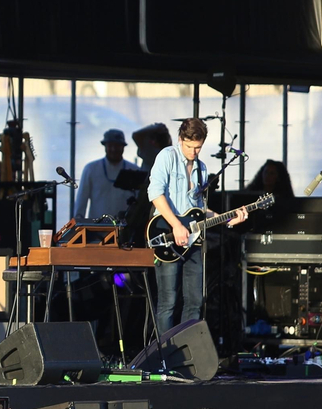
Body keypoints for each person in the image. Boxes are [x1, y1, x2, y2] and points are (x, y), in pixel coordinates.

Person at [146, 117, 245, 335]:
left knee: (195, 301)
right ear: (180, 139)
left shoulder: (201, 168)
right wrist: (175, 225)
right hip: (167, 235)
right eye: (189, 146)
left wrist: (227, 218)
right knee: (168, 301)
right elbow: (155, 194)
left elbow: (199, 210)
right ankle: (165, 352)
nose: (193, 152)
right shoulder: (167, 156)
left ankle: (186, 348)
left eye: (198, 147)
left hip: (192, 240)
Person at [76, 129, 142, 222]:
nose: (113, 149)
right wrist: (78, 222)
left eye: (117, 146)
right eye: (110, 146)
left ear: (123, 147)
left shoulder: (134, 170)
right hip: (97, 226)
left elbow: (140, 202)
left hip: (125, 226)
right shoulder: (91, 169)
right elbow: (81, 200)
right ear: (105, 146)